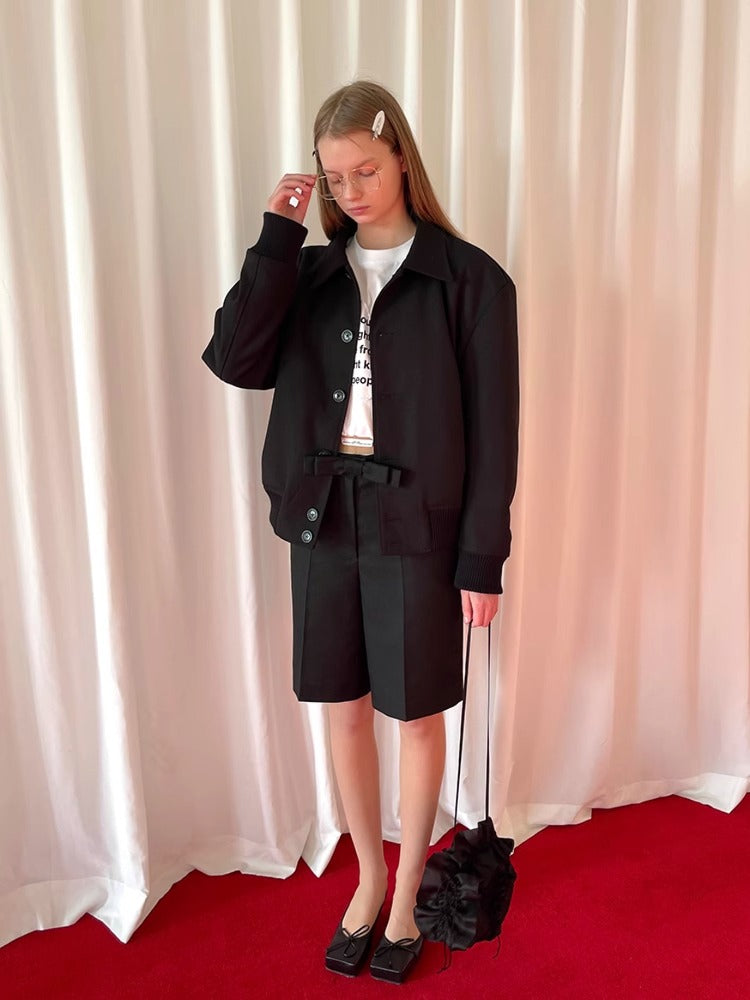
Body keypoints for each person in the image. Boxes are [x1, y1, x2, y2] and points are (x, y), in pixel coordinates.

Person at [201, 79, 519, 983]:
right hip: (322, 517)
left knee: (414, 715)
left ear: (402, 159)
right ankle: (368, 878)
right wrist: (277, 237)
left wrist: (482, 559)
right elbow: (236, 360)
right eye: (334, 177)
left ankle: (411, 887)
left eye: (366, 171)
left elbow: (495, 432)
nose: (351, 192)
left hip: (418, 524)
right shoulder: (305, 275)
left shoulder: (471, 281)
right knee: (340, 708)